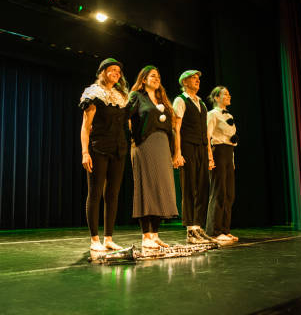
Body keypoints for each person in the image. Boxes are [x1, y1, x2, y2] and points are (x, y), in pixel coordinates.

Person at [79, 58, 129, 252]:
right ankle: (94, 239)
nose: (116, 73)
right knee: (95, 193)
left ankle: (108, 238)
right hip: (98, 147)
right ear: (102, 72)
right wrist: (85, 152)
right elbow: (85, 126)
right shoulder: (94, 93)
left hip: (118, 149)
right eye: (112, 70)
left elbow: (126, 123)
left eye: (119, 70)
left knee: (113, 194)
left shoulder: (120, 96)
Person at [126, 66, 179, 249]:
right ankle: (145, 236)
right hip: (144, 146)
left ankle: (155, 235)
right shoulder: (136, 97)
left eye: (158, 76)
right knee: (146, 188)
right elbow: (125, 116)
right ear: (143, 79)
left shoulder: (162, 100)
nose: (157, 78)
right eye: (152, 76)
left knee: (160, 188)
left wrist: (175, 151)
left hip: (162, 146)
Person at [172, 70, 215, 244]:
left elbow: (205, 132)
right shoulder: (180, 100)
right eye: (193, 78)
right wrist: (177, 152)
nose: (197, 81)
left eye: (198, 79)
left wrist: (210, 155)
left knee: (203, 187)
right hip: (188, 146)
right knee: (189, 186)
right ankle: (190, 229)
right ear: (184, 82)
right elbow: (176, 128)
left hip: (202, 147)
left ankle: (198, 226)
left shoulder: (202, 104)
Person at [205, 86, 239, 242]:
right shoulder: (212, 114)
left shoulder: (229, 115)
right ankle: (214, 231)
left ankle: (225, 229)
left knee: (229, 193)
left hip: (228, 153)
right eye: (225, 94)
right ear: (216, 98)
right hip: (217, 152)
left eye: (229, 94)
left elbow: (231, 142)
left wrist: (232, 160)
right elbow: (207, 137)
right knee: (218, 192)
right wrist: (210, 157)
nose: (228, 96)